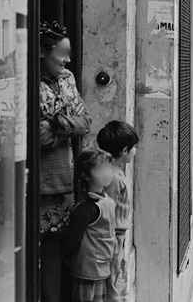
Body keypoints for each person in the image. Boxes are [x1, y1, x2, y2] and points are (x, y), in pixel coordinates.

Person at [39, 21, 92, 301]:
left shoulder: (67, 78)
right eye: (62, 54)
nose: (68, 60)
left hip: (62, 184)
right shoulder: (27, 82)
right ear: (41, 53)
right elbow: (34, 138)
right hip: (36, 185)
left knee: (55, 251)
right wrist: (63, 128)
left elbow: (86, 122)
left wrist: (56, 125)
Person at [64, 148, 116, 302]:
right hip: (86, 269)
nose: (107, 173)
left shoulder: (105, 200)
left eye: (107, 168)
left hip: (101, 267)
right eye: (100, 169)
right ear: (86, 176)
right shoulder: (86, 208)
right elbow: (73, 238)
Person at [97, 121, 139, 302]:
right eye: (134, 147)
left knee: (113, 273)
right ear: (124, 151)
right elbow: (109, 211)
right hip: (112, 236)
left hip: (115, 235)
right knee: (111, 278)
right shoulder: (113, 177)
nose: (135, 151)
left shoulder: (114, 172)